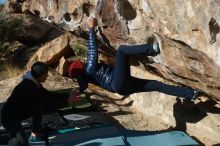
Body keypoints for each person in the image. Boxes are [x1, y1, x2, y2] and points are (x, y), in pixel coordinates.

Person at [68, 17, 199, 102]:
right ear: (81, 67)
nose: (84, 62)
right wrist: (91, 28)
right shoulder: (88, 69)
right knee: (122, 51)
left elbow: (83, 85)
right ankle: (152, 49)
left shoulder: (84, 77)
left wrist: (78, 90)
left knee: (156, 85)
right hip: (116, 82)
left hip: (121, 88)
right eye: (82, 63)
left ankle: (190, 93)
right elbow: (92, 50)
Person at [1, 61, 80, 146]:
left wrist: (68, 96)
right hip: (9, 118)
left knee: (38, 109)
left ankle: (35, 133)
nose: (47, 76)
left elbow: (49, 95)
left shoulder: (35, 82)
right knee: (21, 143)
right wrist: (68, 102)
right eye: (46, 74)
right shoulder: (29, 88)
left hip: (20, 113)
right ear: (41, 75)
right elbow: (47, 104)